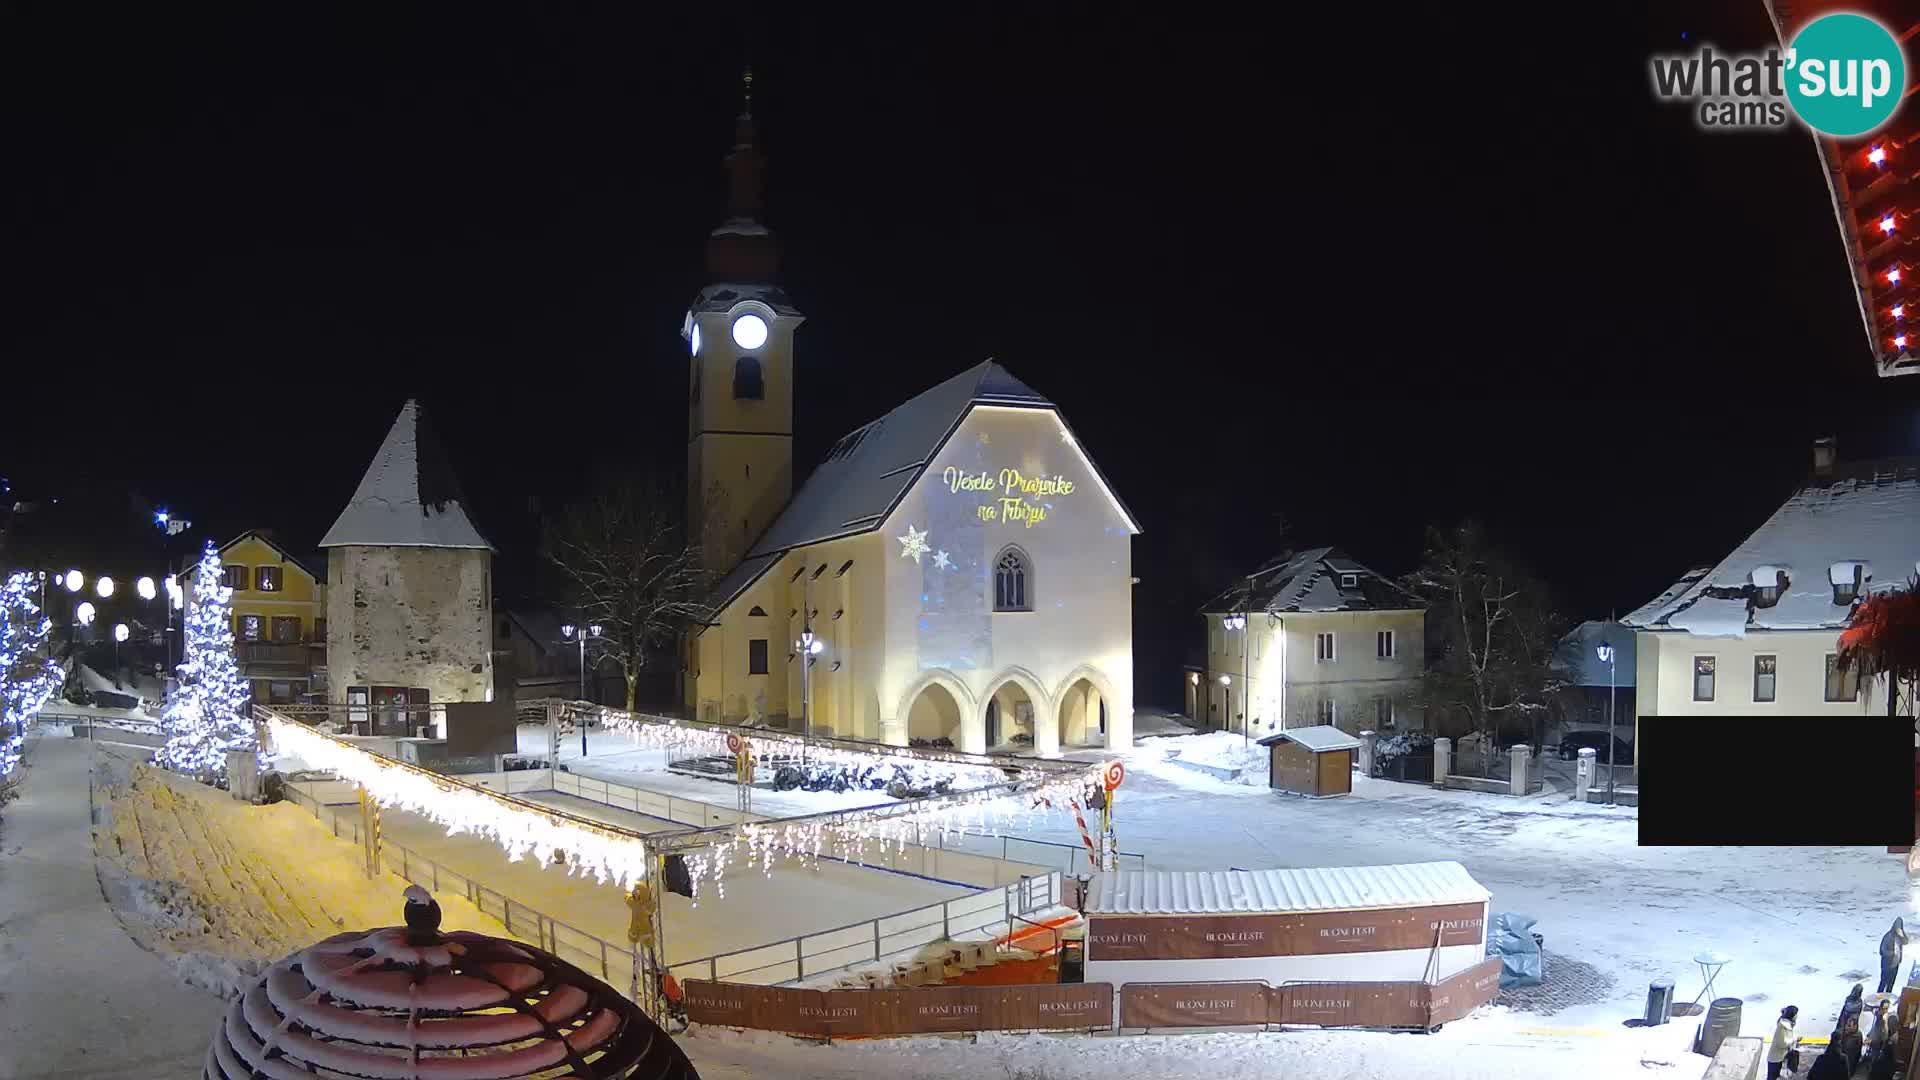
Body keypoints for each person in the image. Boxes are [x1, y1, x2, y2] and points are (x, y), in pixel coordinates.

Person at [1766, 1005, 1798, 1080]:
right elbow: (1781, 1044)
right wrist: (1794, 1040)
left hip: (1779, 1057)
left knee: (1775, 1076)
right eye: (1796, 1014)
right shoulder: (1783, 1027)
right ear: (1792, 1015)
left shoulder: (1787, 1024)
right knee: (1772, 1077)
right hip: (1775, 1059)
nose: (1797, 1016)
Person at [1881, 917, 1908, 995]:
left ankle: (1887, 998)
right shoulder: (1888, 937)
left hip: (1895, 964)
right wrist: (1892, 953)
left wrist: (1902, 934)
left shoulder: (1900, 936)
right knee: (1883, 983)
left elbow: (1906, 942)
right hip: (1887, 964)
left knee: (1891, 983)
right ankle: (1878, 998)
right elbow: (1882, 951)